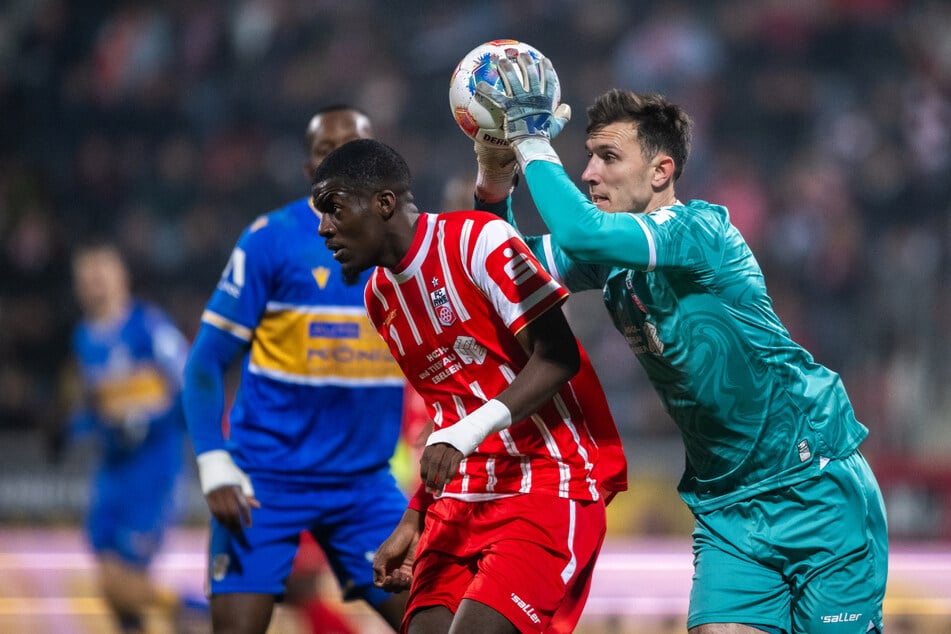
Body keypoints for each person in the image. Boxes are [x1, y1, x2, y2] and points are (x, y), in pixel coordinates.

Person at [470, 54, 889, 633]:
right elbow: (499, 266)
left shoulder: (703, 232)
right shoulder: (608, 261)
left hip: (815, 487)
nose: (589, 173)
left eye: (608, 158)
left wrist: (533, 141)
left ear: (662, 171)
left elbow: (579, 231)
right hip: (727, 510)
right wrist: (495, 185)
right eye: (588, 156)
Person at [311, 138, 628, 633]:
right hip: (461, 498)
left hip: (548, 482)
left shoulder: (477, 239)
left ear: (384, 203)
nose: (323, 228)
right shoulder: (379, 297)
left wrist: (466, 433)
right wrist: (415, 516)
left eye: (333, 209)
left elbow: (559, 356)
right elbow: (450, 411)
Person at [182, 105, 411, 633]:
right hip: (266, 481)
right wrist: (214, 462)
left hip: (364, 486)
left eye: (356, 148)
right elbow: (205, 363)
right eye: (327, 153)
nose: (344, 161)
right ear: (311, 173)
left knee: (436, 623)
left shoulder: (410, 249)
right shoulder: (270, 241)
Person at [63, 240, 196, 633]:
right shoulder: (84, 337)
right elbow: (96, 406)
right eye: (87, 277)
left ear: (123, 277)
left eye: (102, 273)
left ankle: (198, 609)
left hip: (150, 471)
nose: (96, 284)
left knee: (118, 580)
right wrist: (74, 427)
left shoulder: (148, 327)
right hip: (111, 473)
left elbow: (186, 384)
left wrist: (146, 416)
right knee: (109, 585)